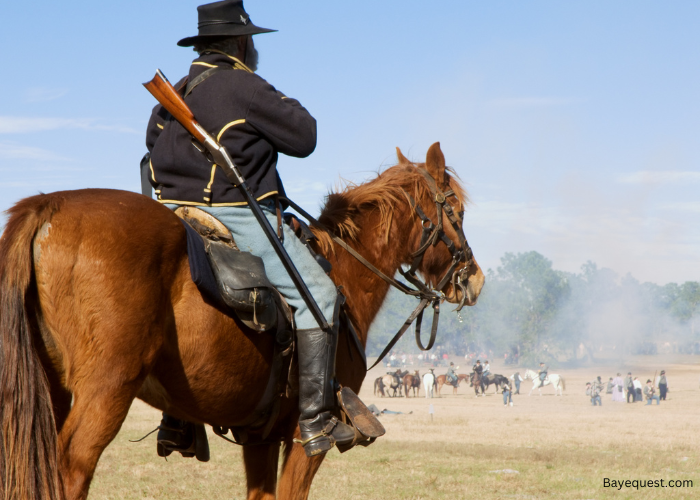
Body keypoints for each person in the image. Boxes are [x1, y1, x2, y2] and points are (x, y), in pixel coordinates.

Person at [147, 0, 362, 458]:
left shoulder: (178, 89)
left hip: (172, 214)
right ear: (242, 42)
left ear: (204, 43)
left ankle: (177, 420)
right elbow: (305, 136)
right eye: (252, 43)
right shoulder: (245, 85)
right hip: (233, 213)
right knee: (320, 298)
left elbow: (152, 147)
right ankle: (315, 420)